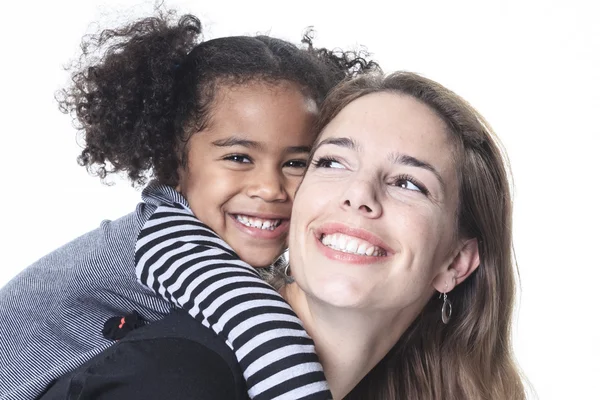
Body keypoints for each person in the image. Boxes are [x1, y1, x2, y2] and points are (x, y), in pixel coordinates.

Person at [42, 71, 526, 399]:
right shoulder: (177, 377)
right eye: (332, 161)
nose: (359, 195)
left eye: (408, 183)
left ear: (456, 262)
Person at [0, 10, 377, 400]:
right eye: (238, 157)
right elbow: (266, 328)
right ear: (174, 157)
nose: (269, 188)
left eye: (296, 163)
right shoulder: (167, 239)